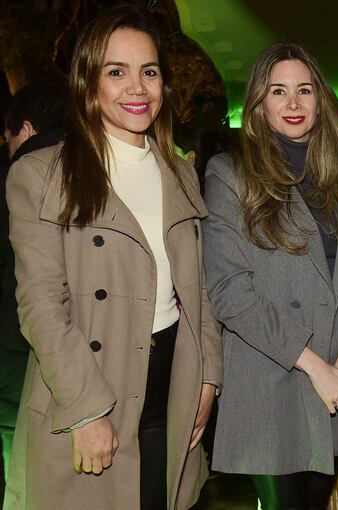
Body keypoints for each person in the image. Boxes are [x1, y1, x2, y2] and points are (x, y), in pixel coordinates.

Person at [2, 4, 222, 509]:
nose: (137, 88)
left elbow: (200, 291)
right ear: (88, 82)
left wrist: (208, 376)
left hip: (173, 384)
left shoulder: (182, 174)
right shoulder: (41, 175)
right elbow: (40, 304)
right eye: (116, 72)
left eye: (149, 72)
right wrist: (84, 409)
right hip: (91, 382)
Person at [202, 43, 338, 510]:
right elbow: (229, 293)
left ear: (321, 100)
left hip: (335, 388)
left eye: (305, 90)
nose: (294, 103)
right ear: (259, 104)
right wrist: (315, 366)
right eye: (279, 91)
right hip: (271, 384)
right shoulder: (230, 174)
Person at [0, 82, 66, 486]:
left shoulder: (19, 176)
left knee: (19, 456)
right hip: (85, 353)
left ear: (24, 130)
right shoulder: (100, 166)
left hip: (16, 349)